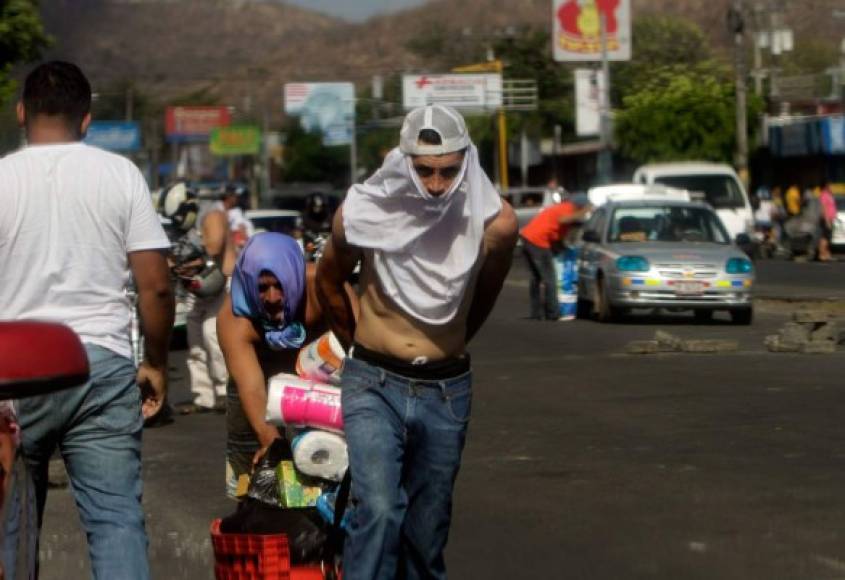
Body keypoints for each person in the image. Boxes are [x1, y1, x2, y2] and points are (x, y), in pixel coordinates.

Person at [316, 104, 518, 580]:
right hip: (373, 383)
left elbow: (485, 293)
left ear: (465, 163)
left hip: (446, 392)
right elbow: (326, 280)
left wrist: (453, 340)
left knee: (426, 535)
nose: (435, 184)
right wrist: (361, 346)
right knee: (380, 511)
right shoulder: (362, 214)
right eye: (423, 170)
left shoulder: (495, 225)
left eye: (448, 171)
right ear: (404, 162)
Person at [0, 61, 174, 578]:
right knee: (115, 520)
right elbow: (156, 285)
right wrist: (158, 364)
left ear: (22, 112)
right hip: (99, 367)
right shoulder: (120, 175)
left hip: (12, 370)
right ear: (86, 121)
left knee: (11, 524)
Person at [217, 232, 356, 499]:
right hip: (259, 385)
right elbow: (253, 388)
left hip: (320, 381)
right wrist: (271, 442)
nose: (271, 298)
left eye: (279, 285)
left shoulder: (323, 288)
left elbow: (360, 346)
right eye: (262, 288)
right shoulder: (234, 317)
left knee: (336, 470)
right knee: (256, 476)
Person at [165, 184, 236, 414]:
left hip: (222, 285)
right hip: (198, 290)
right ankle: (203, 396)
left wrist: (179, 263)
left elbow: (213, 248)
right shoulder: (182, 231)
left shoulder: (212, 216)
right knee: (195, 342)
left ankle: (224, 390)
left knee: (211, 334)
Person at [520, 197, 591, 320]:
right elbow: (563, 220)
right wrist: (584, 211)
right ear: (579, 206)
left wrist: (564, 249)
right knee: (550, 279)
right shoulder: (568, 209)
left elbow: (557, 235)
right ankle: (552, 313)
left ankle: (536, 313)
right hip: (538, 242)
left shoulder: (561, 208)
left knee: (536, 278)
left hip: (527, 238)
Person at [223, 184, 254, 251]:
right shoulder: (235, 212)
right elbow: (242, 230)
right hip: (242, 249)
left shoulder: (239, 213)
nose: (246, 200)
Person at [818, 182, 837, 261]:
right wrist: (827, 220)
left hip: (830, 219)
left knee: (828, 238)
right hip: (827, 219)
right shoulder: (824, 195)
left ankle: (827, 254)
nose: (831, 187)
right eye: (830, 186)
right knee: (825, 238)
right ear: (826, 186)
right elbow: (823, 208)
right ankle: (822, 255)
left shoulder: (829, 195)